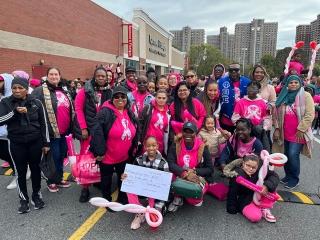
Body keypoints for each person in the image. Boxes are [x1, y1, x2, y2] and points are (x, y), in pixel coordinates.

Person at [0, 77, 50, 213]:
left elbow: (43, 123)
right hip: (16, 143)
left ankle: (36, 196)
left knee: (35, 170)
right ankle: (23, 200)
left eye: (20, 88)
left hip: (35, 142)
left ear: (26, 89)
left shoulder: (36, 102)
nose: (17, 91)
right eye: (14, 88)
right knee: (20, 172)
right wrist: (15, 113)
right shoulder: (5, 102)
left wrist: (46, 143)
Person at [90, 86, 139, 204]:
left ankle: (122, 197)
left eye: (123, 96)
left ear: (127, 98)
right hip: (108, 156)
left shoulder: (129, 111)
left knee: (123, 178)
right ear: (112, 99)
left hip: (124, 156)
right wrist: (100, 152)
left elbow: (136, 128)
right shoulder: (105, 112)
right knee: (106, 180)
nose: (120, 99)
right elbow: (97, 132)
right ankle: (107, 201)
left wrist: (135, 146)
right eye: (116, 97)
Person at [74, 66, 113, 202]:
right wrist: (83, 128)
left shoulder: (109, 91)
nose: (101, 78)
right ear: (94, 77)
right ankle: (85, 188)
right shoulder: (85, 91)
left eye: (104, 76)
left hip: (101, 132)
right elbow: (78, 109)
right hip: (88, 131)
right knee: (87, 159)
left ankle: (97, 180)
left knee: (100, 157)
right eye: (99, 76)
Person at [32, 67, 74, 192]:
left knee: (61, 156)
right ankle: (51, 180)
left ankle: (59, 178)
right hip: (50, 133)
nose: (54, 76)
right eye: (51, 74)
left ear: (60, 76)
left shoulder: (64, 90)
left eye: (56, 74)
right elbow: (34, 110)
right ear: (47, 76)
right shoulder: (39, 91)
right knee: (52, 157)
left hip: (65, 131)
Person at [273, 75, 314, 189]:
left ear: (300, 84)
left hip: (298, 133)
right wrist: (276, 128)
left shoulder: (306, 96)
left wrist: (301, 128)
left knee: (292, 155)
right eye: (291, 82)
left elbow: (309, 114)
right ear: (287, 84)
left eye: (296, 82)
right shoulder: (283, 96)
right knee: (285, 154)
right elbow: (276, 114)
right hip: (284, 132)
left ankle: (295, 179)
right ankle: (288, 175)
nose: (294, 84)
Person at [167, 122, 218, 212]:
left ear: (196, 133)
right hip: (180, 173)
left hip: (195, 175)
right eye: (185, 131)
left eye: (191, 132)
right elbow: (170, 163)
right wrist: (184, 173)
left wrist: (194, 172)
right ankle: (178, 197)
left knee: (195, 201)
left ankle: (184, 194)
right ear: (182, 132)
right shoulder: (176, 144)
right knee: (169, 177)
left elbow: (210, 169)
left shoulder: (203, 147)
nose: (188, 134)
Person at [122, 136, 169, 230]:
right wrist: (125, 177)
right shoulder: (138, 159)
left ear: (157, 146)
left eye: (153, 145)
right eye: (148, 146)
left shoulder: (164, 164)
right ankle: (140, 212)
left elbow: (164, 187)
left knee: (154, 221)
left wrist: (159, 206)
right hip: (141, 188)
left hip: (154, 192)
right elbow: (132, 176)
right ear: (145, 147)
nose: (151, 148)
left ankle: (151, 210)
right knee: (128, 185)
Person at [224, 154, 279, 223]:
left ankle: (264, 207)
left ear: (258, 166)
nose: (250, 169)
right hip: (246, 199)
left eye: (253, 167)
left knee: (272, 186)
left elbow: (274, 176)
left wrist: (266, 186)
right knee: (255, 217)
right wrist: (231, 208)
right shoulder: (237, 174)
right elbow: (232, 192)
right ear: (243, 163)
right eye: (248, 165)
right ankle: (259, 208)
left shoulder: (261, 168)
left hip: (260, 195)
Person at [0, 73, 21, 189]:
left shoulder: (12, 98)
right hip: (1, 134)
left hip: (10, 134)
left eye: (1, 81)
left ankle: (18, 176)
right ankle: (22, 171)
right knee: (5, 155)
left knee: (12, 156)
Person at [218, 63, 251, 133]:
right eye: (231, 70)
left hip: (243, 121)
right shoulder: (221, 82)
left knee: (240, 142)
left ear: (240, 71)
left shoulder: (247, 82)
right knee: (226, 142)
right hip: (226, 120)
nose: (233, 72)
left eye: (236, 70)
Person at [139, 90, 170, 155]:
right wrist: (139, 139)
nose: (161, 100)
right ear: (155, 98)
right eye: (159, 98)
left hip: (159, 143)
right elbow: (140, 124)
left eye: (163, 98)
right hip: (147, 141)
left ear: (167, 99)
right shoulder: (148, 108)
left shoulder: (168, 112)